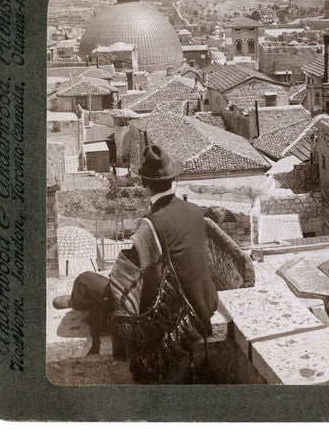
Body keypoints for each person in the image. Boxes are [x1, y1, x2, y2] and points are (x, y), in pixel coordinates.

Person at [53, 145, 218, 378]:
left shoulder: (151, 224)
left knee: (86, 279)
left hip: (171, 311)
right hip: (204, 304)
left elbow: (121, 284)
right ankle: (76, 299)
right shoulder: (196, 211)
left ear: (143, 185)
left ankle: (76, 300)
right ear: (176, 178)